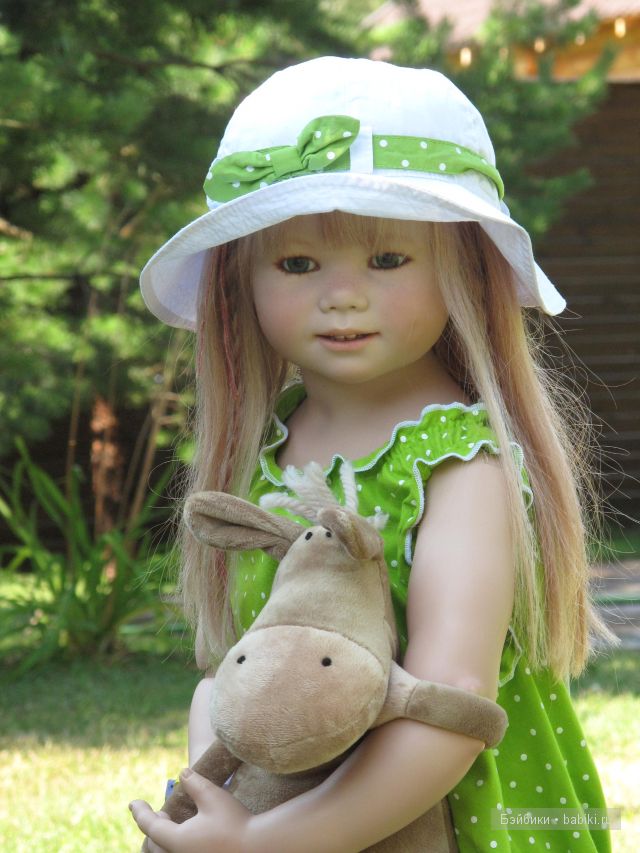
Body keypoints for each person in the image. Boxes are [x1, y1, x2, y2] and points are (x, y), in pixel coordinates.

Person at [129, 56, 613, 852]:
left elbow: (452, 702)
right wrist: (223, 786)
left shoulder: (460, 462)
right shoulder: (273, 447)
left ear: (463, 268)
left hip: (449, 822)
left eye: (387, 259)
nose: (342, 294)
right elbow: (240, 670)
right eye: (297, 262)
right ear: (237, 283)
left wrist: (265, 841)